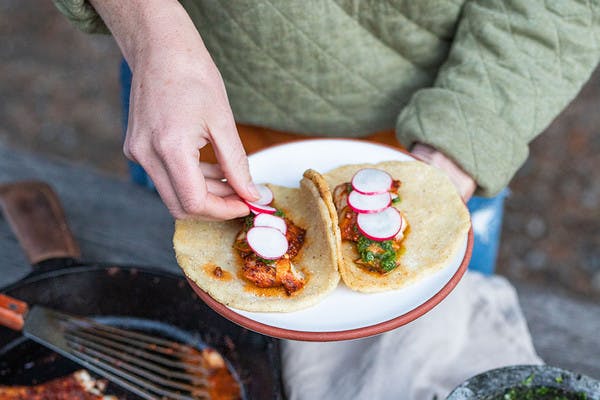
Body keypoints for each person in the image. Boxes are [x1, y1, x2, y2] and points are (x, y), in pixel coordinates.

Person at [52, 1, 599, 397]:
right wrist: (152, 37)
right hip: (186, 106)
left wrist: (464, 141)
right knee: (197, 342)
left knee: (433, 352)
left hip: (444, 127)